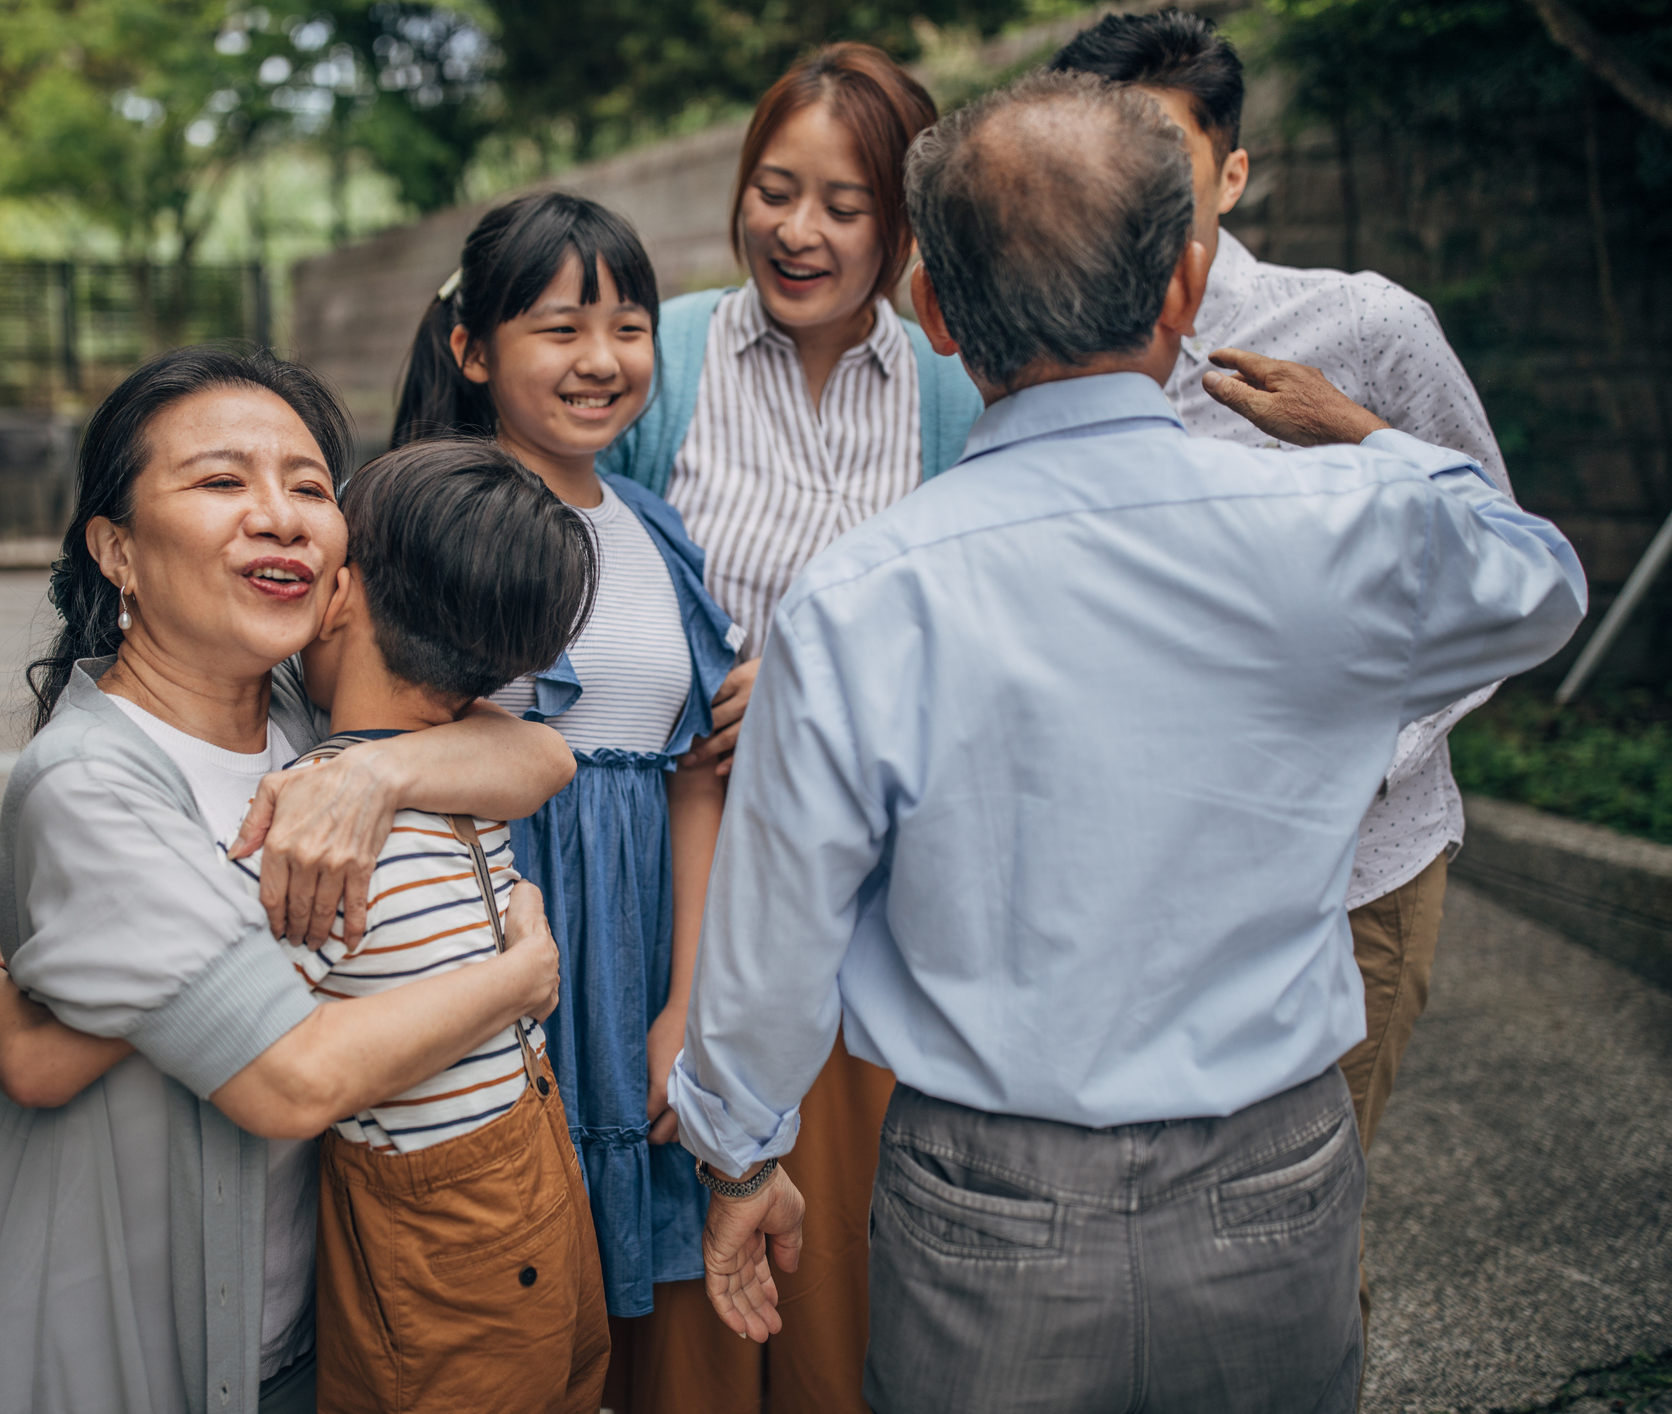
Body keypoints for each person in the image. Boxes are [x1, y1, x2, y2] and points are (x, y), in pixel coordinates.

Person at [670, 71, 1586, 1414]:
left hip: (984, 1202)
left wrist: (740, 1160)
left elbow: (772, 943)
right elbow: (1538, 581)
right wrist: (1363, 437)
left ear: (928, 311)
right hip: (1273, 1174)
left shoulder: (862, 597)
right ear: (1182, 291)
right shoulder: (1337, 528)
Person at [0, 346, 576, 1414]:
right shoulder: (89, 782)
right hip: (99, 1349)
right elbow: (292, 1079)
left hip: (296, 1332)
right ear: (117, 550)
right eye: (223, 481)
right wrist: (519, 976)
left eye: (309, 485)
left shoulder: (308, 714)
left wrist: (380, 768)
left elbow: (542, 757)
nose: (279, 515)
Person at [1049, 8, 1517, 1341]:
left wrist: (1357, 434)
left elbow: (1494, 565)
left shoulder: (1363, 328)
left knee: (1297, 1239)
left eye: (1165, 159)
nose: (1130, 196)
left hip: (1351, 877)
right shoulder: (1046, 347)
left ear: (1234, 173)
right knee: (1154, 1243)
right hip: (1137, 898)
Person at [592, 43, 979, 1413]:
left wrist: (834, 688)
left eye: (843, 203)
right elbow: (595, 580)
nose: (797, 232)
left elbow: (978, 631)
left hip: (873, 893)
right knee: (690, 1295)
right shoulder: (671, 355)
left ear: (903, 224)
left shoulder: (948, 386)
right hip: (677, 879)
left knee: (842, 1275)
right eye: (774, 189)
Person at [391, 191, 745, 1409]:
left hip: (639, 958)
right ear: (472, 350)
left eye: (630, 326)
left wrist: (687, 1005)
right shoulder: (426, 520)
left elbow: (696, 777)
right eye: (560, 328)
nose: (603, 360)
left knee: (636, 1319)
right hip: (491, 954)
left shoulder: (653, 527)